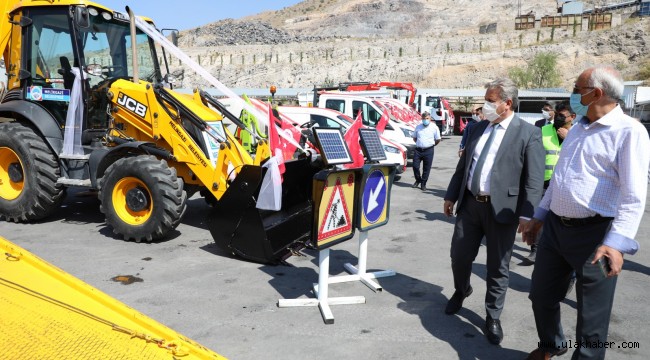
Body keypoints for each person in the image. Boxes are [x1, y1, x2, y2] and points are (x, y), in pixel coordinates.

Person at [522, 66, 650, 360]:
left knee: (591, 318)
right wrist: (539, 217)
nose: (573, 94)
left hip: (597, 235)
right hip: (555, 229)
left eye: (578, 88)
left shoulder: (629, 132)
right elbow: (559, 181)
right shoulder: (578, 127)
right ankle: (552, 344)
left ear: (597, 93)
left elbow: (633, 197)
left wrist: (617, 243)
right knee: (541, 297)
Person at [442, 78, 545, 345]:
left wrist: (528, 215)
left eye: (490, 101)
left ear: (507, 103)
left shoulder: (527, 133)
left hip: (504, 211)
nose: (484, 106)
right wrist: (451, 195)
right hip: (470, 205)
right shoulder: (477, 129)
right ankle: (461, 290)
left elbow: (534, 180)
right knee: (459, 256)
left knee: (498, 266)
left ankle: (492, 315)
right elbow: (464, 166)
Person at [523, 101, 575, 265]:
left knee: (560, 222)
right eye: (557, 114)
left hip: (567, 186)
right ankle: (536, 250)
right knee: (538, 215)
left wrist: (568, 139)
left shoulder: (579, 134)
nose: (558, 117)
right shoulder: (543, 130)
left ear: (572, 117)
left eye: (562, 115)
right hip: (543, 182)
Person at [412, 111, 441, 191]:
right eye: (424, 118)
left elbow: (438, 139)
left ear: (430, 118)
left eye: (427, 118)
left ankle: (423, 183)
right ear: (422, 119)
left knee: (426, 168)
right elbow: (414, 138)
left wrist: (431, 145)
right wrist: (420, 143)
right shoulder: (418, 127)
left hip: (429, 150)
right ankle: (418, 180)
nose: (425, 120)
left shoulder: (434, 127)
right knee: (415, 166)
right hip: (418, 150)